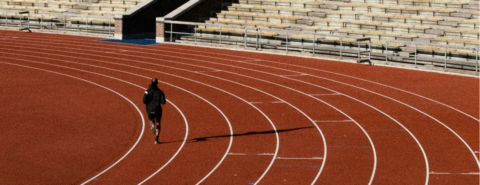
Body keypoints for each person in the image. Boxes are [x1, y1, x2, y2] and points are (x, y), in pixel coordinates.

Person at [142, 78, 166, 144]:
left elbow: (144, 101)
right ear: (157, 83)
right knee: (158, 122)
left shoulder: (147, 91)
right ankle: (156, 139)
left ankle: (152, 124)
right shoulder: (160, 92)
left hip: (149, 109)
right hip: (157, 109)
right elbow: (163, 102)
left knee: (151, 119)